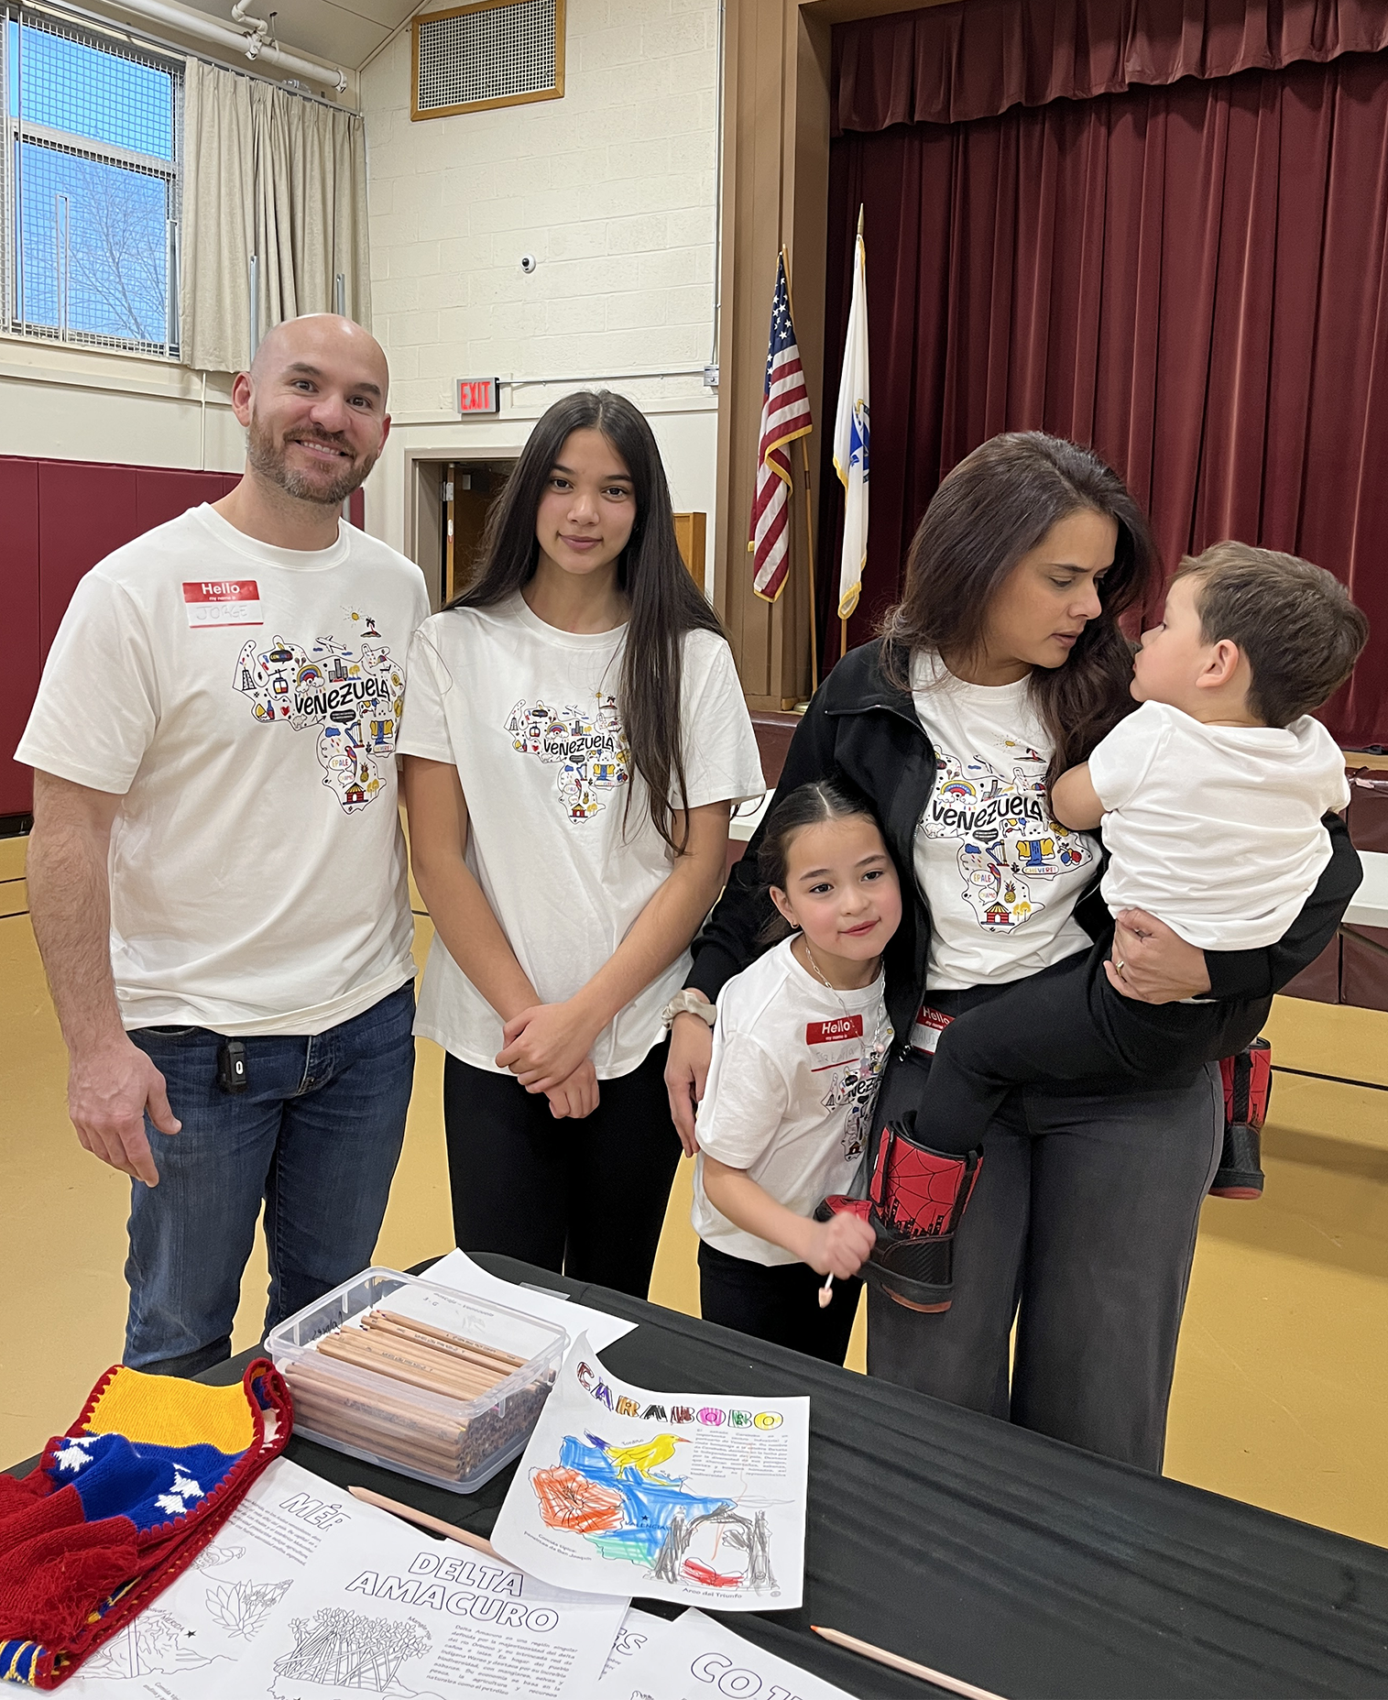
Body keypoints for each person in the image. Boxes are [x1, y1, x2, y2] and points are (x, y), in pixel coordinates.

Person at [667, 432, 1362, 1470]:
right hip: (940, 1078)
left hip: (1125, 1075)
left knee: (1099, 1401)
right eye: (1063, 577)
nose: (1091, 607)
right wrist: (700, 995)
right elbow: (777, 858)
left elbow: (1324, 861)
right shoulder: (869, 691)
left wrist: (1220, 972)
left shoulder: (1130, 690)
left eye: (1102, 580)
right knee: (927, 1393)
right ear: (978, 561)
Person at [18, 314, 429, 1377]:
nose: (329, 415)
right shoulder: (134, 588)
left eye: (359, 399)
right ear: (245, 397)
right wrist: (96, 1047)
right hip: (192, 1047)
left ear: (383, 431)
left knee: (331, 1327)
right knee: (178, 1338)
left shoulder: (398, 588)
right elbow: (66, 832)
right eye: (304, 384)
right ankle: (169, 1537)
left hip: (366, 1027)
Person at [820, 542, 1367, 1309]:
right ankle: (1238, 1143)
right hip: (1226, 1016)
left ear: (1215, 663)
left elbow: (1074, 805)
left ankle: (912, 1226)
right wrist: (1225, 968)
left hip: (1128, 1000)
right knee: (1232, 1020)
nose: (1122, 622)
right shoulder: (1308, 747)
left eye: (1165, 623)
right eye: (1063, 578)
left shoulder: (1148, 724)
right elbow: (1331, 839)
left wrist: (1070, 787)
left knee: (972, 1051)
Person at [400, 390, 763, 1298]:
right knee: (503, 1308)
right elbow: (438, 858)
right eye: (562, 483)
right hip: (497, 1043)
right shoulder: (452, 645)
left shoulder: (690, 656)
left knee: (613, 1300)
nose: (584, 513)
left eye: (614, 490)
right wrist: (538, 1029)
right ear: (529, 493)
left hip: (634, 1039)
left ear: (644, 509)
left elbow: (698, 862)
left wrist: (587, 1020)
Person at [693, 780, 897, 1363]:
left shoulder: (895, 975)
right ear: (785, 904)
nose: (855, 903)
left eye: (871, 874)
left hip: (836, 1247)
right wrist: (809, 1239)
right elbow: (721, 1177)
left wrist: (828, 1241)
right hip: (754, 1262)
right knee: (752, 1427)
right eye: (822, 888)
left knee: (818, 1410)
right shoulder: (768, 1019)